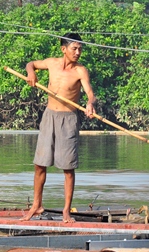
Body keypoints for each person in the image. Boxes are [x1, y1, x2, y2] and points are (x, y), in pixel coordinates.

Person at [20, 33, 97, 223]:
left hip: (68, 119)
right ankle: (36, 205)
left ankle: (66, 211)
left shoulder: (81, 71)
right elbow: (31, 64)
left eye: (80, 49)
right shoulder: (52, 63)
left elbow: (90, 93)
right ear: (64, 49)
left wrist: (90, 103)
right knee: (40, 164)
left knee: (68, 168)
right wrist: (31, 73)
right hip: (49, 116)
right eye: (74, 48)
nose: (78, 52)